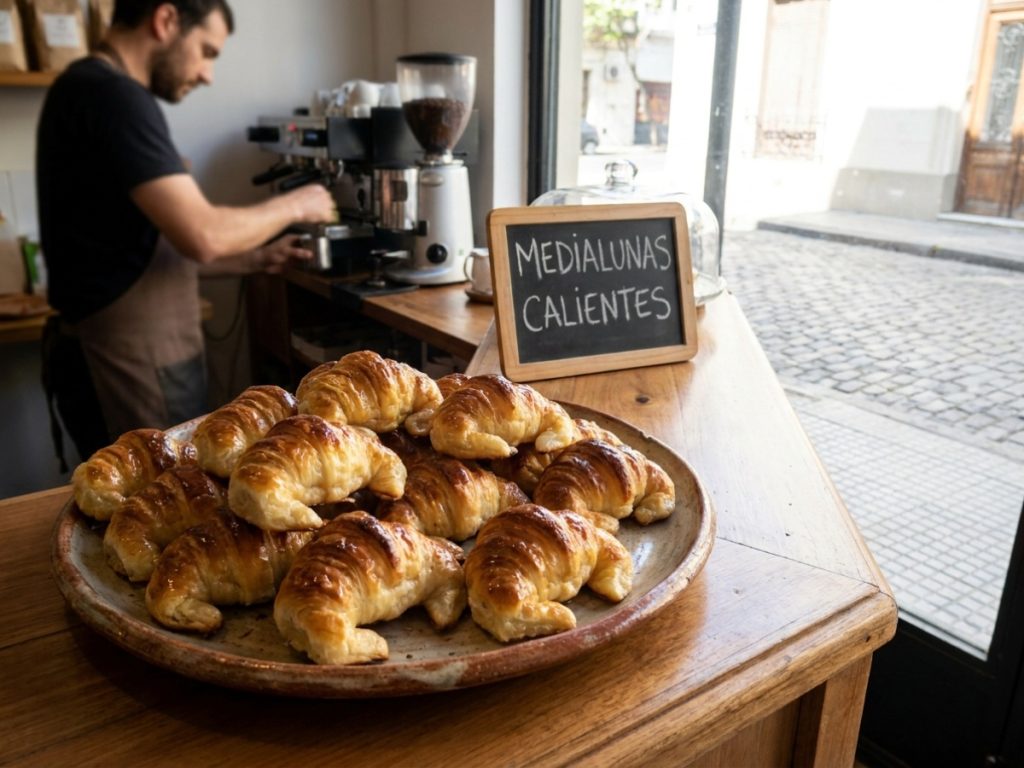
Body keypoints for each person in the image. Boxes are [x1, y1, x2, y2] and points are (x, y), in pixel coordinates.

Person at [36, 0, 336, 469]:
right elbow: (202, 234)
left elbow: (142, 247)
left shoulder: (87, 89)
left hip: (129, 354)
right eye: (207, 50)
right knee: (163, 501)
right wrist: (300, 202)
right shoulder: (112, 96)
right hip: (131, 366)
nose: (207, 73)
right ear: (165, 20)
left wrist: (256, 259)